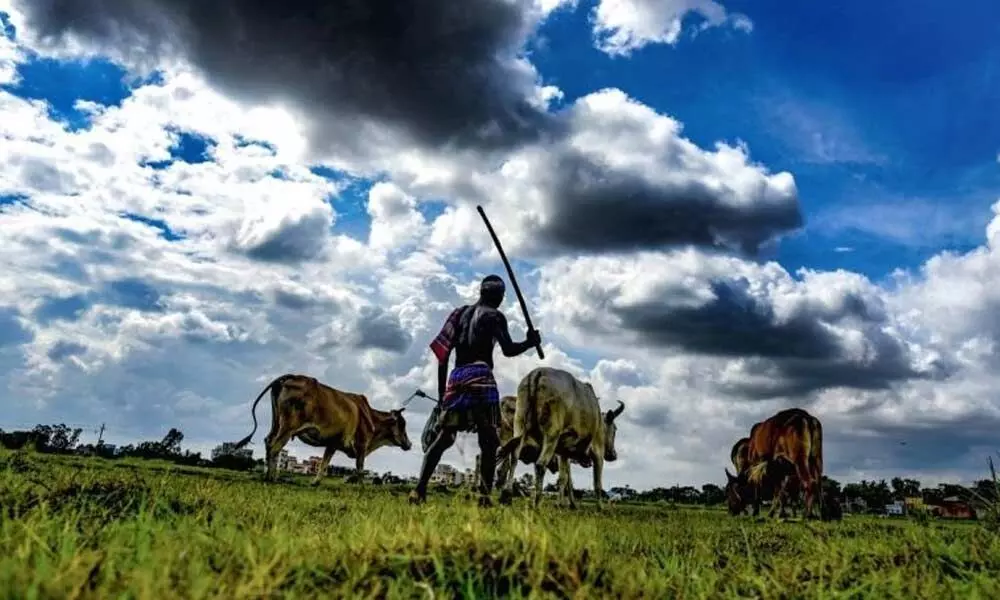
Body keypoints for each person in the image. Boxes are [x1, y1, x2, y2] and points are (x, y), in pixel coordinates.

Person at [408, 274, 541, 507]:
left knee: (443, 438)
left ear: (481, 292)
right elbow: (509, 350)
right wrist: (529, 343)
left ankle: (419, 490)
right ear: (498, 296)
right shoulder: (495, 316)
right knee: (489, 440)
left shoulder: (460, 314)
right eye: (501, 296)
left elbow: (442, 355)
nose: (501, 300)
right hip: (480, 377)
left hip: (456, 377)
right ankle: (484, 497)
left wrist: (442, 397)